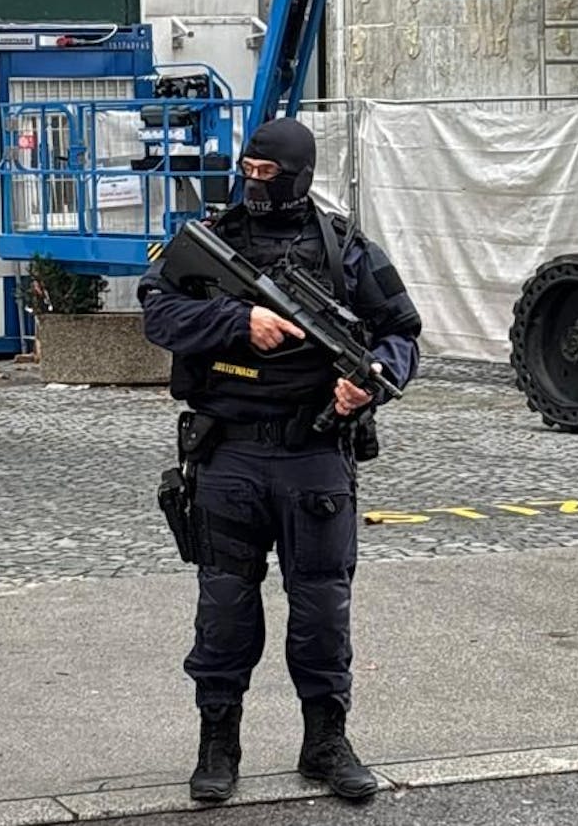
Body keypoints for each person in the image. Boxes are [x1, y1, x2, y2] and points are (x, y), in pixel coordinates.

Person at [137, 117, 421, 803]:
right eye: (248, 172)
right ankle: (218, 740)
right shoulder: (215, 241)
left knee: (323, 606)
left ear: (298, 175)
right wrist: (239, 323)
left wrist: (373, 377)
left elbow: (402, 333)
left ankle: (326, 738)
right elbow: (157, 310)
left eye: (268, 175)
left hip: (315, 453)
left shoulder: (345, 249)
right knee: (226, 605)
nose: (254, 184)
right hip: (229, 452)